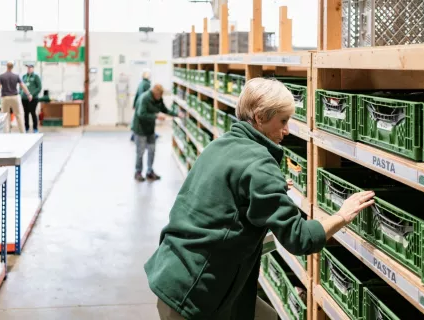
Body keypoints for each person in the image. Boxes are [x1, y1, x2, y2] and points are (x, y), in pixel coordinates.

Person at [144, 78, 375, 320]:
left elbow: (228, 200)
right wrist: (342, 215)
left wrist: (263, 190)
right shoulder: (259, 163)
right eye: (283, 121)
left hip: (176, 271)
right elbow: (300, 238)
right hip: (196, 293)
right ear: (261, 117)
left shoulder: (220, 145)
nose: (287, 130)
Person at [132, 84, 181, 182]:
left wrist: (176, 114)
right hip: (140, 129)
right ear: (155, 93)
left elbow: (164, 109)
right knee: (140, 152)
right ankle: (138, 172)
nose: (160, 97)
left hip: (150, 129)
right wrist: (156, 116)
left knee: (152, 150)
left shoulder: (158, 99)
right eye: (159, 95)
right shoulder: (145, 99)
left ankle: (150, 172)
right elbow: (141, 114)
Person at [0, 61, 32, 133]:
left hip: (5, 98)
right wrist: (28, 94)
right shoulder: (16, 76)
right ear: (12, 67)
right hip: (15, 97)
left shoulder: (1, 76)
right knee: (19, 115)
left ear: (7, 66)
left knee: (5, 116)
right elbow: (23, 85)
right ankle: (22, 132)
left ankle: (6, 133)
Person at [131, 69, 152, 142]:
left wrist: (134, 104)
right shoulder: (147, 84)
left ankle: (134, 135)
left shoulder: (141, 83)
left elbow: (137, 94)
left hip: (138, 104)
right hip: (143, 105)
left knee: (138, 121)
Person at [20, 64, 42, 133]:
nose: (29, 69)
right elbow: (21, 86)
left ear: (33, 68)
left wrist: (32, 94)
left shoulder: (36, 76)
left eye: (30, 68)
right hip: (24, 99)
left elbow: (39, 87)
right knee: (25, 113)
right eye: (28, 68)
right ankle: (26, 127)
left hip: (33, 98)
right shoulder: (24, 76)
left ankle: (35, 128)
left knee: (33, 113)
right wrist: (21, 93)